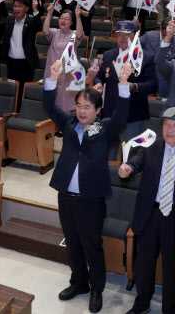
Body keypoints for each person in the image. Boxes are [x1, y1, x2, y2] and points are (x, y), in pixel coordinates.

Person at [44, 60, 132, 314]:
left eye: (88, 107)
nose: (82, 111)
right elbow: (49, 105)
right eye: (79, 106)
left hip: (90, 199)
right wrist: (53, 79)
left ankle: (96, 289)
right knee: (72, 242)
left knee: (92, 244)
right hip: (66, 196)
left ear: (97, 110)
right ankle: (79, 282)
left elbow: (122, 116)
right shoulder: (69, 124)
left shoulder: (104, 129)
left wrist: (124, 85)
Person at [119, 107, 175, 314]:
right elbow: (135, 162)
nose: (169, 129)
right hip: (150, 214)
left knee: (173, 268)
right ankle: (142, 302)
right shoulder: (152, 147)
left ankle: (170, 309)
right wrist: (128, 169)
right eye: (166, 125)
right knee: (144, 264)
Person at [93, 20, 158, 143]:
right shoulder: (108, 55)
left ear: (135, 36)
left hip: (133, 114)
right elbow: (100, 75)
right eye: (120, 34)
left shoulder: (146, 57)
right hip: (111, 112)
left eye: (127, 34)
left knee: (130, 153)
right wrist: (98, 83)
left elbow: (153, 85)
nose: (123, 37)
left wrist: (133, 86)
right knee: (108, 152)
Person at [0, 0, 41, 99]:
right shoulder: (9, 20)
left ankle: (23, 111)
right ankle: (13, 111)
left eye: (20, 6)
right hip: (11, 62)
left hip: (27, 63)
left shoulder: (30, 21)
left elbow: (38, 26)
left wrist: (35, 10)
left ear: (26, 8)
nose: (16, 9)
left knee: (24, 92)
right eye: (15, 6)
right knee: (13, 90)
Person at [43, 5, 84, 111]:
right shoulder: (54, 33)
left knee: (64, 106)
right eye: (61, 18)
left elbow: (80, 34)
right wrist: (49, 13)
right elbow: (45, 30)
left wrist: (78, 16)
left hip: (66, 75)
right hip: (52, 73)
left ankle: (62, 126)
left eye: (66, 19)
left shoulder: (73, 34)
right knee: (50, 103)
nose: (63, 20)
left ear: (71, 22)